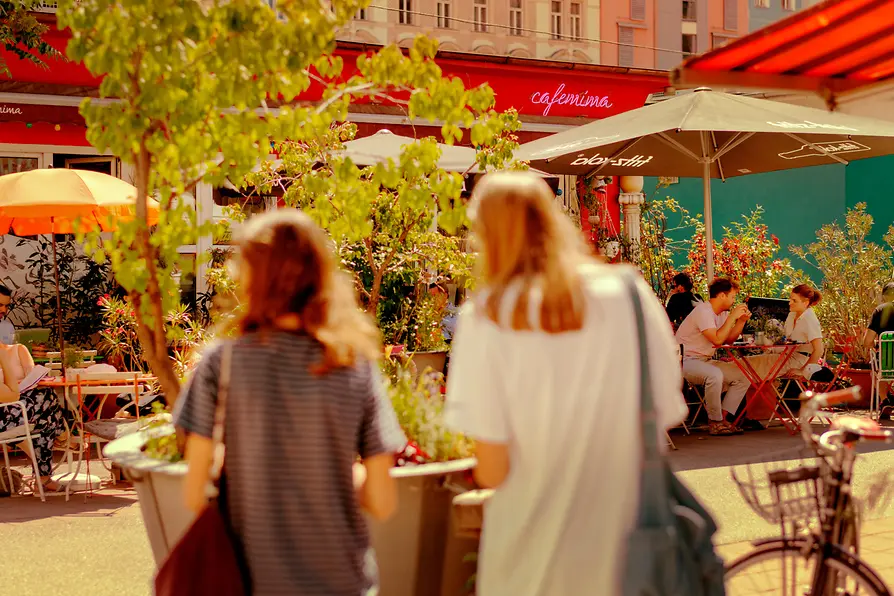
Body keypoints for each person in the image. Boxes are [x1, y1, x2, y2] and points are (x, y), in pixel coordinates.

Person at [444, 171, 687, 596]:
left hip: (529, 555)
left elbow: (493, 466)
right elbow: (665, 413)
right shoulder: (629, 293)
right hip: (629, 545)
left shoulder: (486, 316)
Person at [173, 209, 406, 596]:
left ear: (250, 277)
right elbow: (382, 503)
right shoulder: (355, 368)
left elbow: (194, 494)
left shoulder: (221, 363)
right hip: (345, 584)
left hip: (254, 582)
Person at [675, 278, 755, 435]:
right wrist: (732, 317)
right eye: (732, 297)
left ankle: (723, 418)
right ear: (722, 296)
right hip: (684, 361)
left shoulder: (722, 314)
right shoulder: (703, 311)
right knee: (714, 375)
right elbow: (717, 340)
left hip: (704, 360)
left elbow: (728, 339)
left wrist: (740, 322)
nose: (734, 301)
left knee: (744, 376)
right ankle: (714, 421)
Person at [0, 344, 65, 493]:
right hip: (4, 419)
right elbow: (12, 395)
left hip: (7, 413)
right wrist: (4, 359)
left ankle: (43, 479)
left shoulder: (17, 348)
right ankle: (62, 435)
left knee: (45, 418)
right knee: (47, 403)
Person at [863, 281, 894, 351]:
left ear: (884, 296)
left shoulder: (880, 310)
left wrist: (876, 345)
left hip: (886, 360)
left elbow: (867, 342)